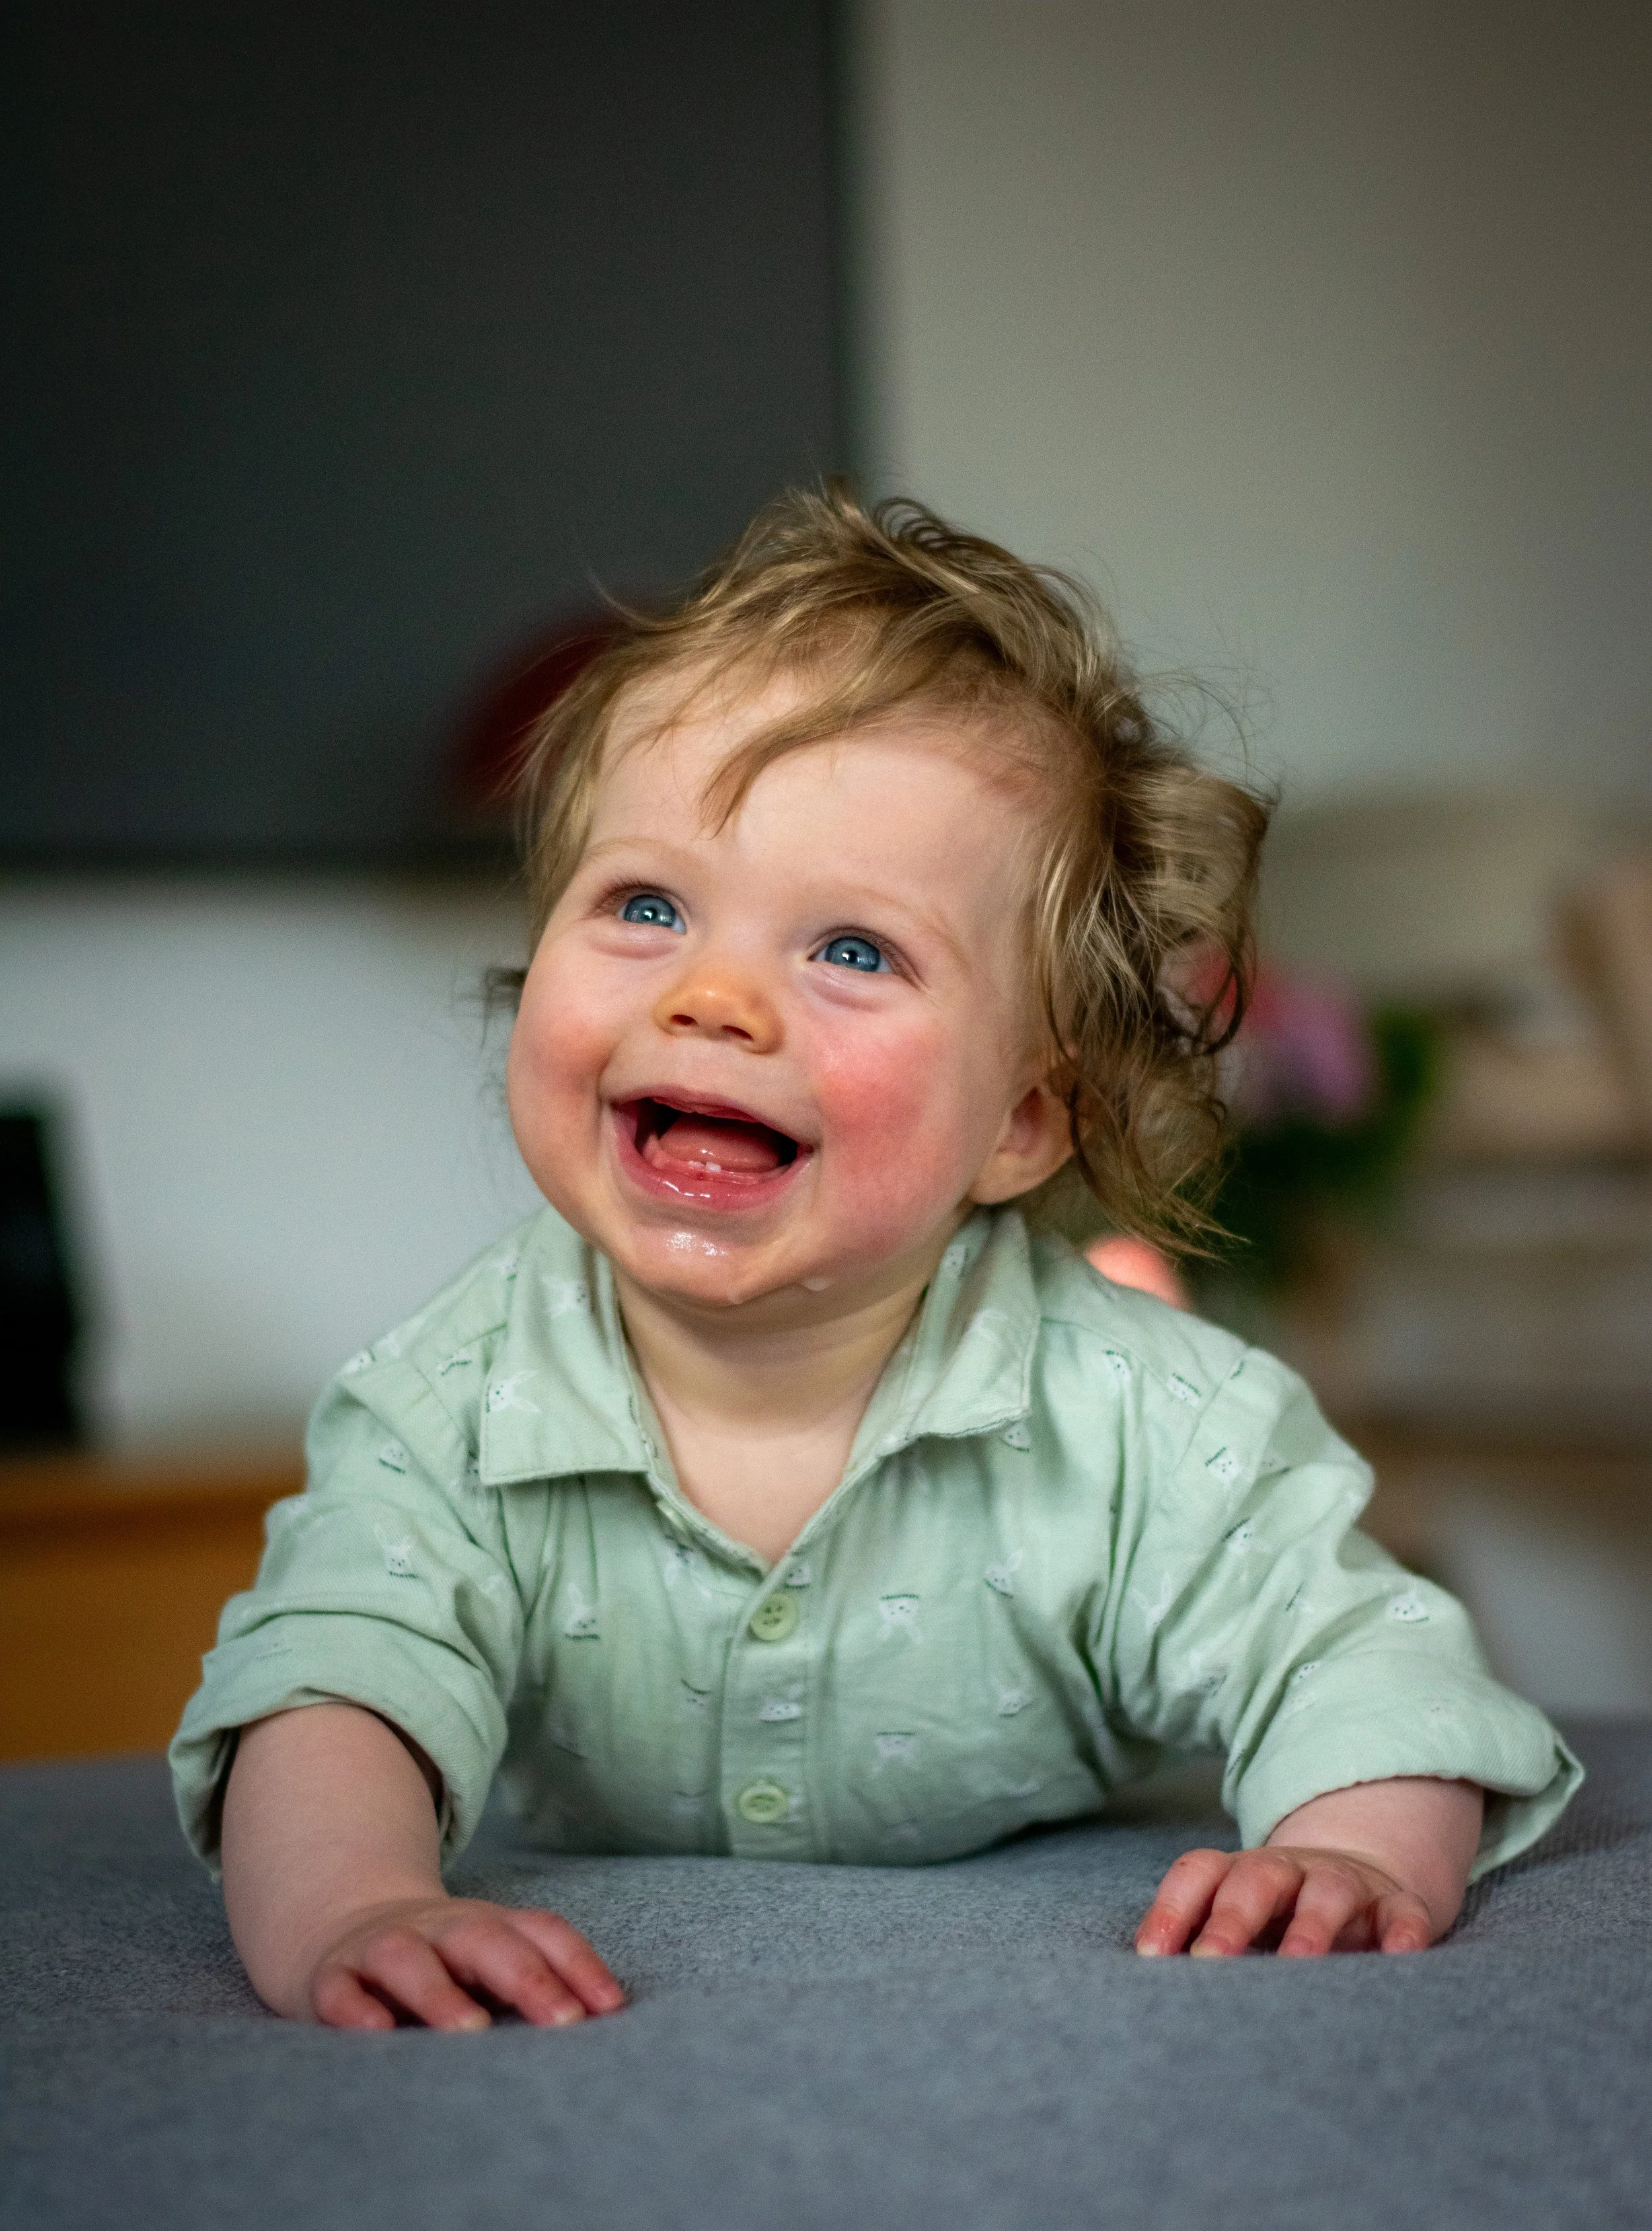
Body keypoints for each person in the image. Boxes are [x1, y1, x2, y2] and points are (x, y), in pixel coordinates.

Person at [170, 488, 1579, 2031]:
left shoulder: (1146, 1421)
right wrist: (360, 1900)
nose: (713, 996)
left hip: (1023, 2036)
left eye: (850, 949)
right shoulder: (443, 1400)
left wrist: (1347, 1847)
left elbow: (1365, 1657)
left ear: (1022, 1122)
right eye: (645, 903)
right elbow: (331, 1680)